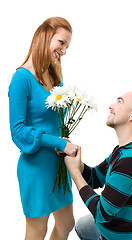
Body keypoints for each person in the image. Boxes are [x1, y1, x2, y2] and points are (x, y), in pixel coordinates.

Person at [8, 17, 78, 240]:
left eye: (67, 46)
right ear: (45, 36)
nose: (64, 50)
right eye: (61, 42)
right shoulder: (21, 79)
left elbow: (56, 120)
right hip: (36, 167)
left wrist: (63, 142)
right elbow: (18, 130)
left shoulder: (55, 75)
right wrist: (59, 143)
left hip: (58, 163)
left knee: (67, 223)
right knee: (37, 231)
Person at [64, 91, 132, 240]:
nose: (110, 106)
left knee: (89, 222)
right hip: (124, 227)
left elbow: (101, 213)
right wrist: (74, 158)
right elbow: (95, 178)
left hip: (123, 236)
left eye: (119, 102)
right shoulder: (127, 149)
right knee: (83, 225)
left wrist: (75, 173)